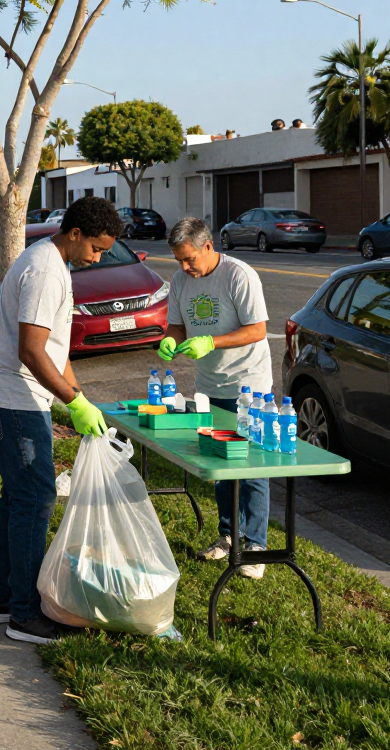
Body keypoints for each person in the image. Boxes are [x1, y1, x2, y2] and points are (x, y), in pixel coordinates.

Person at [0, 196, 120, 646]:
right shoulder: (44, 271)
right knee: (35, 500)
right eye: (96, 248)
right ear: (75, 234)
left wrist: (80, 398)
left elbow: (55, 351)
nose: (98, 257)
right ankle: (25, 615)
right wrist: (73, 402)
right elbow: (31, 351)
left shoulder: (56, 265)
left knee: (17, 498)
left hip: (14, 396)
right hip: (12, 399)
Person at [159, 216, 272, 579]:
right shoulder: (179, 281)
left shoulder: (240, 276)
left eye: (190, 258)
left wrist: (212, 341)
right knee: (222, 465)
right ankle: (229, 536)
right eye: (179, 260)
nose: (184, 266)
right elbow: (176, 324)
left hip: (248, 385)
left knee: (251, 464)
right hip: (209, 386)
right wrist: (171, 341)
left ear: (208, 246)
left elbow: (257, 330)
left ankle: (256, 544)